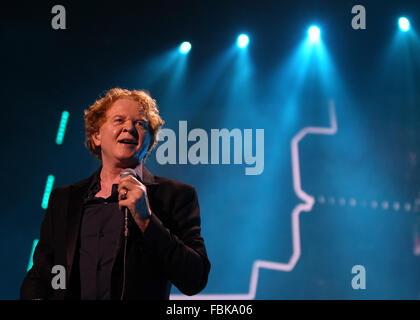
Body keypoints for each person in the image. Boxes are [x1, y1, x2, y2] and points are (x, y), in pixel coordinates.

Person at [20, 88, 210, 300]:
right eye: (119, 120)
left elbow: (194, 278)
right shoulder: (64, 199)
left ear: (149, 141)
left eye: (140, 124)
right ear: (97, 135)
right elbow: (41, 274)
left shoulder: (175, 196)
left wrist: (146, 220)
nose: (129, 128)